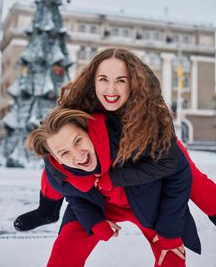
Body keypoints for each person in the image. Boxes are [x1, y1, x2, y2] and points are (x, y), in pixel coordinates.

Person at [14, 47, 216, 233]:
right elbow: (54, 138)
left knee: (191, 176)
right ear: (93, 80)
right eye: (103, 79)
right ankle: (47, 210)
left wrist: (116, 178)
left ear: (134, 82)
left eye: (121, 80)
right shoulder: (83, 101)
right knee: (58, 160)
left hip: (146, 144)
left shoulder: (150, 111)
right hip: (100, 149)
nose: (111, 90)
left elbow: (169, 164)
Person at [24, 106, 200, 267]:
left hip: (147, 199)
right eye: (64, 153)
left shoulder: (124, 139)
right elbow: (75, 197)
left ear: (88, 131)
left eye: (77, 141)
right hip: (98, 204)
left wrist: (170, 233)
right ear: (56, 159)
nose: (79, 156)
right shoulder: (58, 173)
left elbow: (177, 177)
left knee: (171, 255)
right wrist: (94, 222)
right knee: (64, 254)